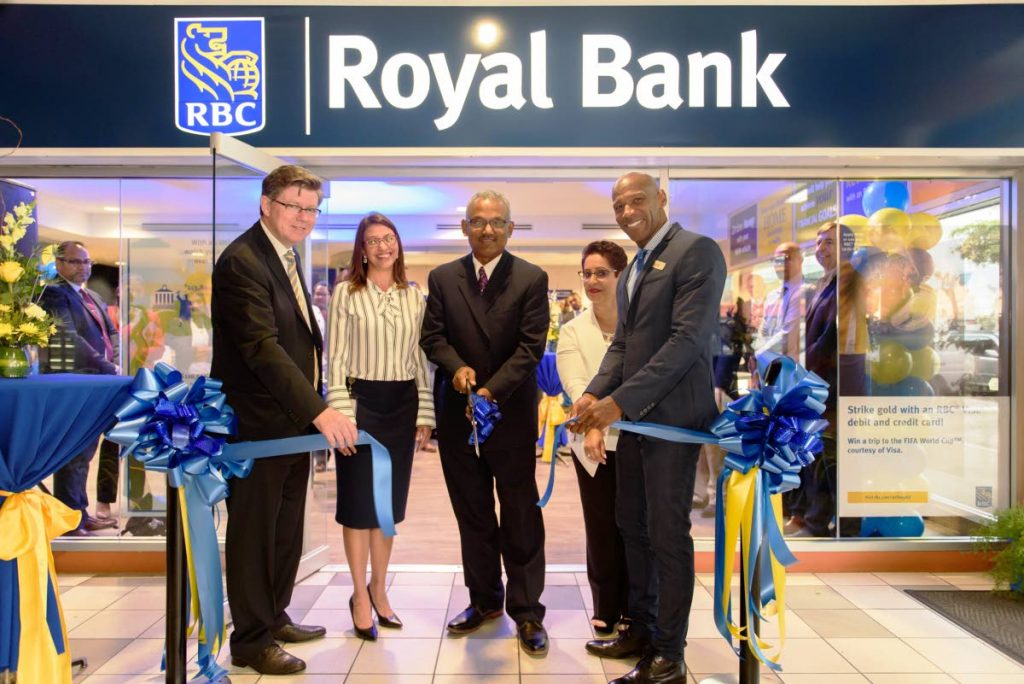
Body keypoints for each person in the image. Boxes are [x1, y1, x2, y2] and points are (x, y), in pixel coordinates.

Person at [571, 172, 726, 684]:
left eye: (636, 200)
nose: (627, 210)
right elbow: (624, 345)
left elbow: (686, 343)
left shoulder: (697, 252)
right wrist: (596, 392)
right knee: (631, 527)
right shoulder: (636, 263)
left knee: (666, 536)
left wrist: (619, 403)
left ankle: (669, 656)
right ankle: (639, 629)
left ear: (662, 199)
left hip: (674, 423)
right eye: (618, 204)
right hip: (638, 424)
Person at [211, 165, 355, 676]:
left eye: (312, 208)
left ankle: (274, 616)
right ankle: (250, 640)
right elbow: (260, 348)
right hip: (257, 425)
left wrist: (310, 409)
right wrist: (318, 409)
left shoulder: (287, 256)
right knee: (254, 532)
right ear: (266, 204)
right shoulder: (241, 262)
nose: (304, 217)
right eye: (294, 205)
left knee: (285, 528)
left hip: (291, 423)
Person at [420, 190, 551, 656]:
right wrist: (456, 369)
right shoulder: (442, 278)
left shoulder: (531, 278)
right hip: (457, 417)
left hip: (510, 414)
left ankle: (527, 610)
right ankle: (484, 600)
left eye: (497, 222)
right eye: (478, 221)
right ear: (465, 228)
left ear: (511, 228)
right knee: (472, 512)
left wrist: (491, 390)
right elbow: (432, 336)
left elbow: (531, 346)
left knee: (519, 512)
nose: (488, 229)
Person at [327, 212, 434, 640]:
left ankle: (379, 588)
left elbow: (421, 361)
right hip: (358, 405)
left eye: (389, 238)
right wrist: (341, 414)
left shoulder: (415, 297)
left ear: (398, 245)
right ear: (362, 249)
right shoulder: (345, 294)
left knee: (387, 508)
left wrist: (424, 413)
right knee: (358, 506)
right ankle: (357, 594)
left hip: (401, 405)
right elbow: (334, 358)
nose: (383, 246)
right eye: (373, 240)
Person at [555, 240, 630, 636]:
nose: (592, 280)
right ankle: (605, 605)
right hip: (591, 442)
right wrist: (595, 426)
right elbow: (577, 386)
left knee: (634, 527)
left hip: (636, 440)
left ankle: (634, 605)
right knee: (600, 525)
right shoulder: (572, 332)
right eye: (587, 273)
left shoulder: (639, 327)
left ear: (621, 276)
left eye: (601, 272)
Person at [40, 240, 121, 536]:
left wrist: (115, 359)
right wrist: (107, 365)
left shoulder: (92, 297)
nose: (83, 267)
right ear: (59, 263)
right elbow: (70, 339)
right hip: (74, 383)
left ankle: (79, 512)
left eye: (86, 262)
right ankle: (69, 518)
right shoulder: (53, 295)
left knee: (86, 452)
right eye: (75, 262)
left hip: (98, 384)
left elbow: (111, 332)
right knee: (74, 453)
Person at [789, 222, 845, 537]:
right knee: (811, 454)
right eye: (819, 243)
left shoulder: (847, 285)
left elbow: (831, 339)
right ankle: (808, 516)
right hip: (814, 383)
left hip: (832, 386)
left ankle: (819, 522)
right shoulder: (821, 284)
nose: (822, 249)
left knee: (826, 457)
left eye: (830, 243)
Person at [755, 241, 811, 362]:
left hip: (794, 369)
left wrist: (760, 354)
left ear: (800, 260)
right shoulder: (772, 297)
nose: (781, 264)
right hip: (771, 365)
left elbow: (789, 334)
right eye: (776, 260)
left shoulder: (807, 292)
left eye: (786, 258)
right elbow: (764, 331)